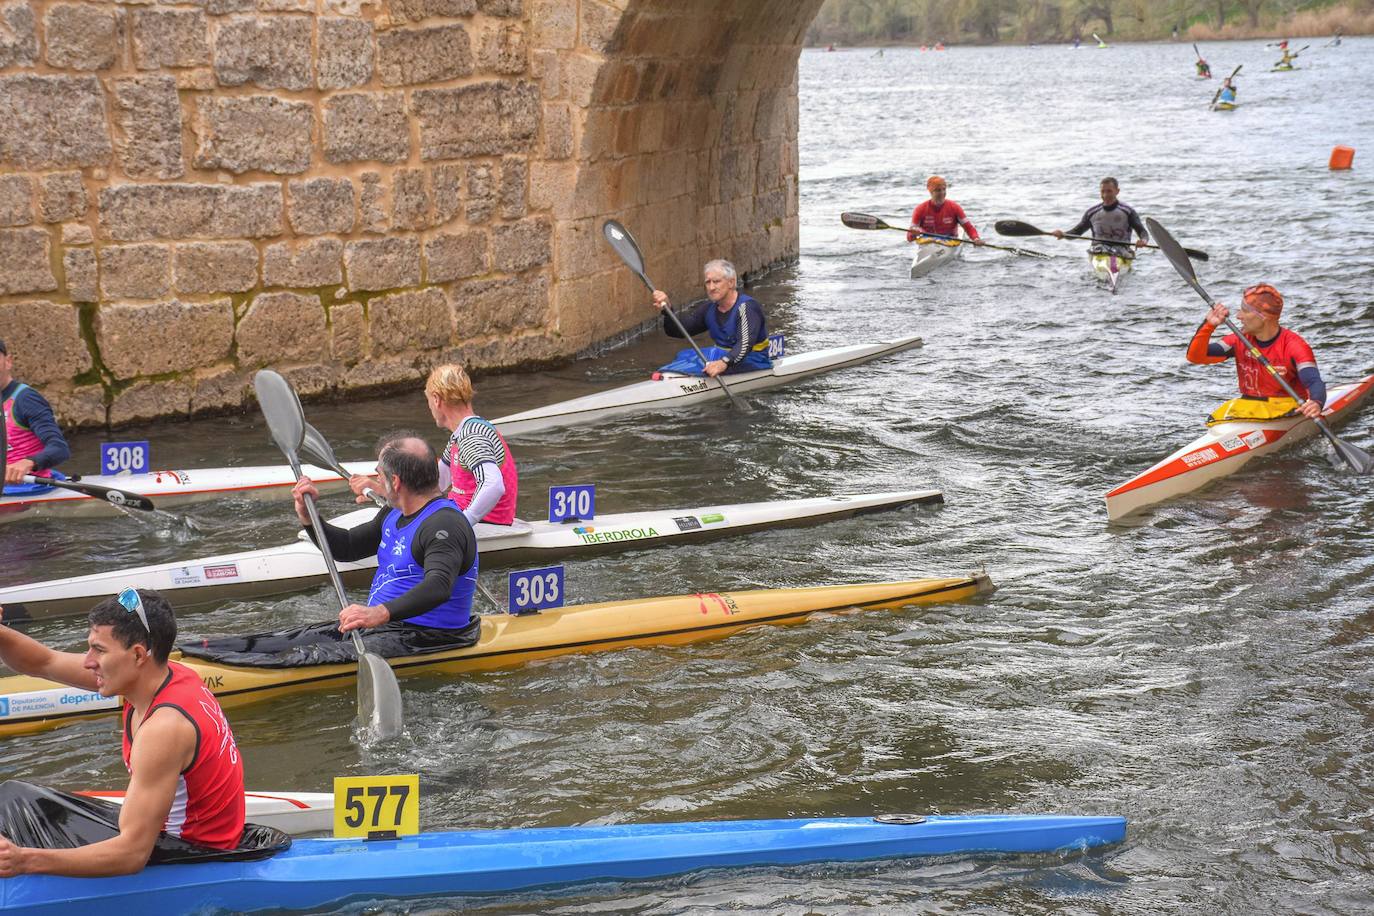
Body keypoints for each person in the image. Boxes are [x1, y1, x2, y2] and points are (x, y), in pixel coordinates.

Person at [0, 589, 245, 876]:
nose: (88, 662)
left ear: (138, 654)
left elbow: (131, 855)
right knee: (15, 797)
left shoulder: (164, 729)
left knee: (12, 815)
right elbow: (43, 662)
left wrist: (24, 860)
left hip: (192, 856)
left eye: (99, 650)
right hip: (185, 833)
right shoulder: (164, 674)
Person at [350, 365, 518, 529]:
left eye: (428, 400)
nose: (429, 407)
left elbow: (493, 484)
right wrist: (384, 492)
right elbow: (432, 485)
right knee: (390, 514)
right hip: (460, 514)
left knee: (389, 523)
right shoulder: (459, 435)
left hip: (483, 524)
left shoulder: (472, 434)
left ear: (436, 399)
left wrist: (463, 524)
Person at [1185, 284, 1326, 422]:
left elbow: (1313, 381)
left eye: (1245, 311)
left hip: (1285, 409)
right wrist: (1209, 325)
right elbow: (1195, 356)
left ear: (1263, 316)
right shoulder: (1238, 339)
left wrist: (1316, 402)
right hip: (1248, 407)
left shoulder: (1294, 345)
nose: (1239, 316)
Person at [651, 260, 770, 378]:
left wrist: (723, 363)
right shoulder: (709, 309)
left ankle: (671, 374)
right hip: (722, 357)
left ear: (731, 282)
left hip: (753, 359)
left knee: (711, 354)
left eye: (716, 281)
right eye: (708, 282)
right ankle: (668, 375)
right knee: (684, 355)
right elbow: (677, 331)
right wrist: (667, 309)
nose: (711, 287)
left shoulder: (747, 307)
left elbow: (745, 344)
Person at [1, 338, 71, 488]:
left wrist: (29, 462)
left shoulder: (25, 399)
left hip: (26, 491)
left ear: (8, 361)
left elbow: (59, 448)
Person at [1053, 177, 1149, 256]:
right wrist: (1063, 234)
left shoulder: (1128, 211)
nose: (1105, 195)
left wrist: (1143, 241)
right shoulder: (1091, 213)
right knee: (1099, 250)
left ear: (1117, 191)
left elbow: (1142, 231)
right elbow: (1077, 232)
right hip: (1098, 252)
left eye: (1109, 191)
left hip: (1121, 253)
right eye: (1102, 191)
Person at [905, 176, 984, 247]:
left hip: (950, 241)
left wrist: (976, 238)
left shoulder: (955, 207)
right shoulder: (920, 209)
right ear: (931, 192)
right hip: (928, 242)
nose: (942, 193)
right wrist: (913, 233)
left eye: (944, 189)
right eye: (938, 190)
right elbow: (909, 238)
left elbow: (968, 227)